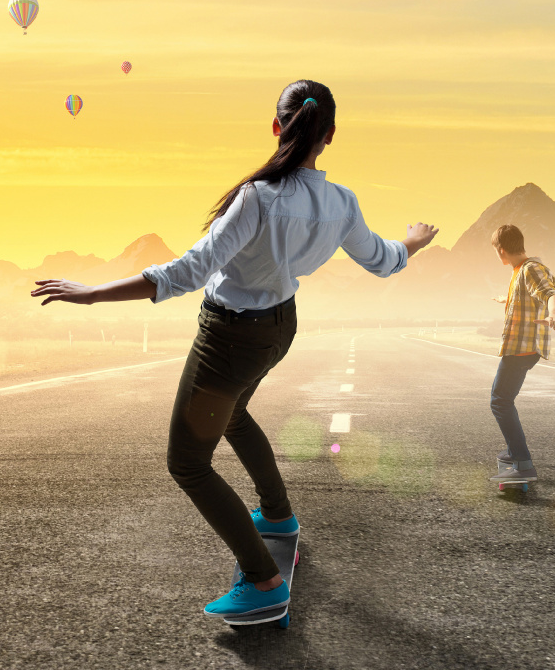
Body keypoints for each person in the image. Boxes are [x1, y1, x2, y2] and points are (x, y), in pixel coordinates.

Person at [30, 80, 439, 619]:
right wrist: (412, 240)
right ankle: (277, 515)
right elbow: (384, 259)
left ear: (276, 127)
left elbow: (188, 272)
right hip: (279, 329)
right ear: (330, 136)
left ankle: (263, 580)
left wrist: (93, 294)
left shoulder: (258, 198)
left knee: (188, 463)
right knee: (236, 413)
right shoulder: (342, 202)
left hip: (228, 337)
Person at [488, 224, 555, 484]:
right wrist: (506, 299)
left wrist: (554, 314)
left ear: (501, 250)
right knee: (504, 399)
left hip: (522, 348)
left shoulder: (531, 269)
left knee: (500, 400)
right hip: (523, 348)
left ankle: (522, 463)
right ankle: (514, 454)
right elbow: (528, 297)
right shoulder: (521, 271)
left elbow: (551, 293)